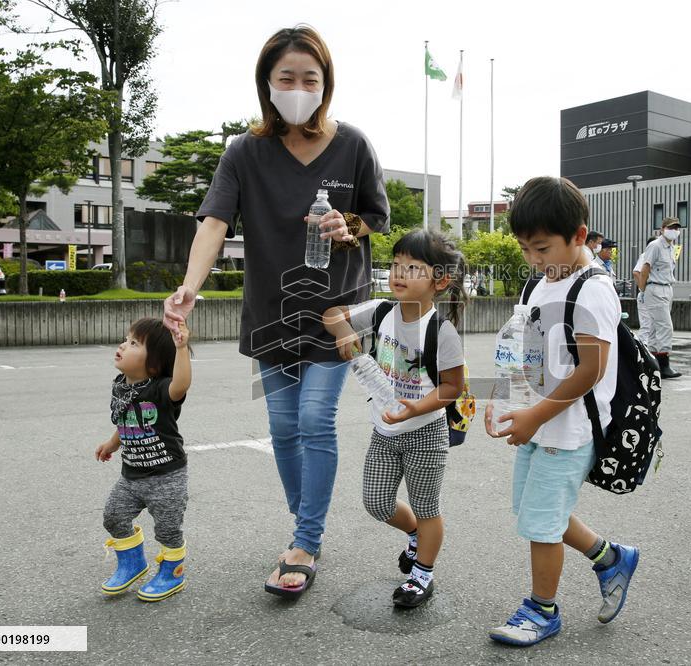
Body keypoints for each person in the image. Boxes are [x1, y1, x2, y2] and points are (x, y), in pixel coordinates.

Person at [163, 25, 390, 599]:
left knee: (314, 420)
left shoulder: (353, 144)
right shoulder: (245, 151)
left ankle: (305, 540)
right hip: (272, 313)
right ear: (267, 83)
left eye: (309, 78)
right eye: (286, 77)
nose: (297, 87)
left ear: (325, 84)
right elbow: (214, 221)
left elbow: (377, 220)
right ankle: (306, 524)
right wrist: (190, 286)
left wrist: (349, 226)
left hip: (337, 312)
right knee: (284, 429)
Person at [484, 177, 639, 647]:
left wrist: (536, 415)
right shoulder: (540, 283)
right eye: (526, 249)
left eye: (542, 248)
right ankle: (611, 558)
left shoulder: (593, 290)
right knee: (535, 512)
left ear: (578, 235)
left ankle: (542, 610)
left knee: (540, 523)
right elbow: (528, 352)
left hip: (569, 429)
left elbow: (592, 370)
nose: (534, 259)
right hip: (540, 421)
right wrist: (508, 401)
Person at [323, 229, 467, 608]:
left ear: (440, 280)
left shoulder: (441, 331)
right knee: (377, 503)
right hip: (384, 431)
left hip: (425, 433)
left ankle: (422, 575)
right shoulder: (382, 311)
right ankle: (417, 534)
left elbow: (453, 387)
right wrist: (342, 334)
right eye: (396, 264)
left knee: (427, 506)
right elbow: (332, 314)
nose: (399, 272)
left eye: (413, 267)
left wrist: (416, 408)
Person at [97, 317, 192, 602]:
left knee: (167, 529)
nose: (123, 345)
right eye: (127, 339)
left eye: (134, 343)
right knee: (113, 516)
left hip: (166, 477)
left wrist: (182, 348)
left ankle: (173, 573)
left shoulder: (162, 389)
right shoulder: (122, 387)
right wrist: (112, 443)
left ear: (153, 365)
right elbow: (127, 420)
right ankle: (133, 563)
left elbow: (182, 383)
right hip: (131, 475)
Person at [636, 217, 682, 379]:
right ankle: (664, 365)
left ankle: (653, 364)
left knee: (656, 328)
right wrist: (643, 290)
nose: (674, 230)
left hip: (666, 288)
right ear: (662, 229)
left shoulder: (671, 247)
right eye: (671, 227)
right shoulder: (655, 245)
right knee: (665, 326)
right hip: (655, 288)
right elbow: (645, 268)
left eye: (677, 227)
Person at [632, 235, 657, 340]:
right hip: (647, 294)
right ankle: (643, 350)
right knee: (647, 325)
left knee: (654, 325)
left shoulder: (655, 257)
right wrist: (643, 290)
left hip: (655, 294)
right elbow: (636, 273)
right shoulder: (646, 255)